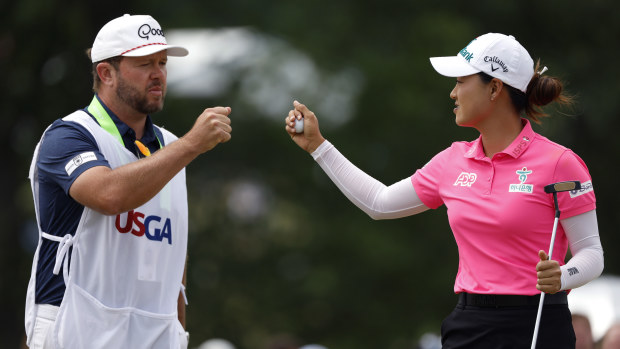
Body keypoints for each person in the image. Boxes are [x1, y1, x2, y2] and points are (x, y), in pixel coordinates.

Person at [285, 33, 604, 348]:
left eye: (461, 82)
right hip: (469, 324)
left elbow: (591, 253)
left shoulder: (560, 163)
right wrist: (318, 146)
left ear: (494, 88)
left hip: (537, 323)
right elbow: (379, 203)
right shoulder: (452, 160)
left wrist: (562, 276)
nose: (453, 93)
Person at [25, 14, 232, 349]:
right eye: (144, 63)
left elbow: (172, 249)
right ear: (106, 73)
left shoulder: (172, 145)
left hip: (153, 338)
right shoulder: (68, 136)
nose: (158, 74)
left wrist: (178, 331)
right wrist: (192, 144)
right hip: (77, 334)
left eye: (162, 63)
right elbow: (109, 195)